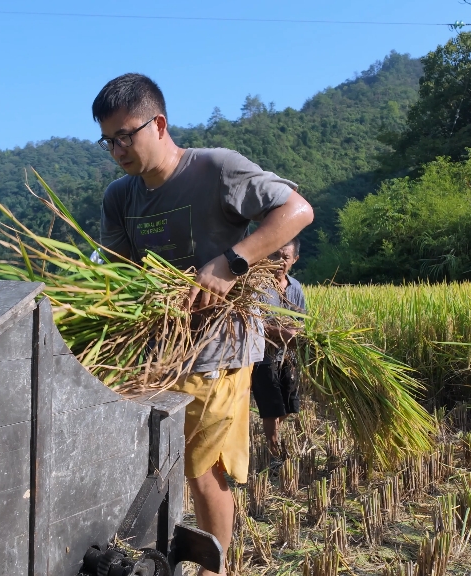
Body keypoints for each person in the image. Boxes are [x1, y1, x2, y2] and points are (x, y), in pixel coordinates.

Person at [93, 73, 313, 575]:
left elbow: (296, 211)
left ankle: (217, 571)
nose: (117, 149)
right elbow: (122, 274)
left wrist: (230, 263)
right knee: (148, 464)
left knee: (203, 471)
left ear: (160, 123)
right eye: (108, 141)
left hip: (221, 350)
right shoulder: (120, 198)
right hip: (158, 351)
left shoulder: (216, 169)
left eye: (125, 135)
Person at [251, 237, 306, 462]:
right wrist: (278, 332)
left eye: (285, 257)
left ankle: (271, 439)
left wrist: (296, 332)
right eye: (274, 255)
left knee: (286, 405)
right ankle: (274, 453)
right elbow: (253, 322)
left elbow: (301, 320)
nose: (279, 261)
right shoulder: (257, 287)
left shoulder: (296, 287)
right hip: (262, 356)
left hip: (288, 356)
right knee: (272, 406)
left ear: (294, 259)